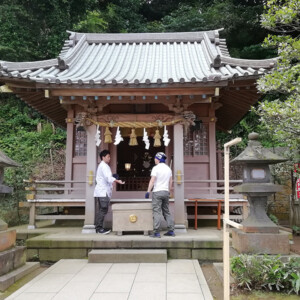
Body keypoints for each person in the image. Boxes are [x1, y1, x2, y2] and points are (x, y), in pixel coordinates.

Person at [94, 149, 125, 234]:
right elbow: (108, 178)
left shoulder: (103, 165)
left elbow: (108, 178)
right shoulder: (104, 166)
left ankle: (99, 227)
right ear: (103, 157)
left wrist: (114, 180)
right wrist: (117, 181)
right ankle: (99, 228)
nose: (109, 158)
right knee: (103, 209)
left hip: (102, 191)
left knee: (102, 209)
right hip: (102, 191)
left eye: (110, 156)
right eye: (108, 156)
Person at [145, 152, 175, 238]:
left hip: (157, 192)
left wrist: (148, 191)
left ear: (158, 159)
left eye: (155, 158)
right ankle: (171, 230)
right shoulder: (168, 169)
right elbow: (171, 181)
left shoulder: (155, 168)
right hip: (166, 192)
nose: (154, 159)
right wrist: (169, 191)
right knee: (166, 211)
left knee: (157, 211)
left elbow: (152, 180)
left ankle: (156, 232)